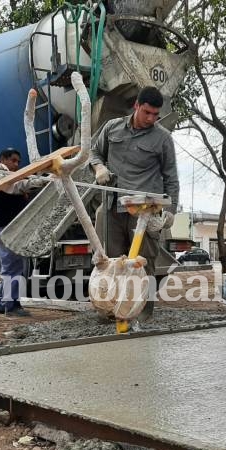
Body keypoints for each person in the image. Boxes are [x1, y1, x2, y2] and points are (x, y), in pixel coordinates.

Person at [89, 86, 180, 319]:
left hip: (144, 213)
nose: (151, 118)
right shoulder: (112, 128)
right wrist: (98, 167)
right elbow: (94, 153)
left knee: (143, 264)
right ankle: (110, 312)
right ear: (137, 106)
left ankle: (143, 315)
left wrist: (169, 214)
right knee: (110, 263)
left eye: (155, 115)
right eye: (147, 112)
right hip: (112, 207)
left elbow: (171, 180)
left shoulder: (162, 139)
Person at [0, 148, 39, 317]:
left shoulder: (7, 176)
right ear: (3, 159)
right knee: (12, 267)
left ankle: (3, 304)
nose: (16, 165)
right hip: (6, 229)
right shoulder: (0, 176)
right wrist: (40, 181)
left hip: (7, 228)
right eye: (14, 161)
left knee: (11, 267)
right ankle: (12, 306)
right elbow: (16, 187)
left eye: (18, 162)